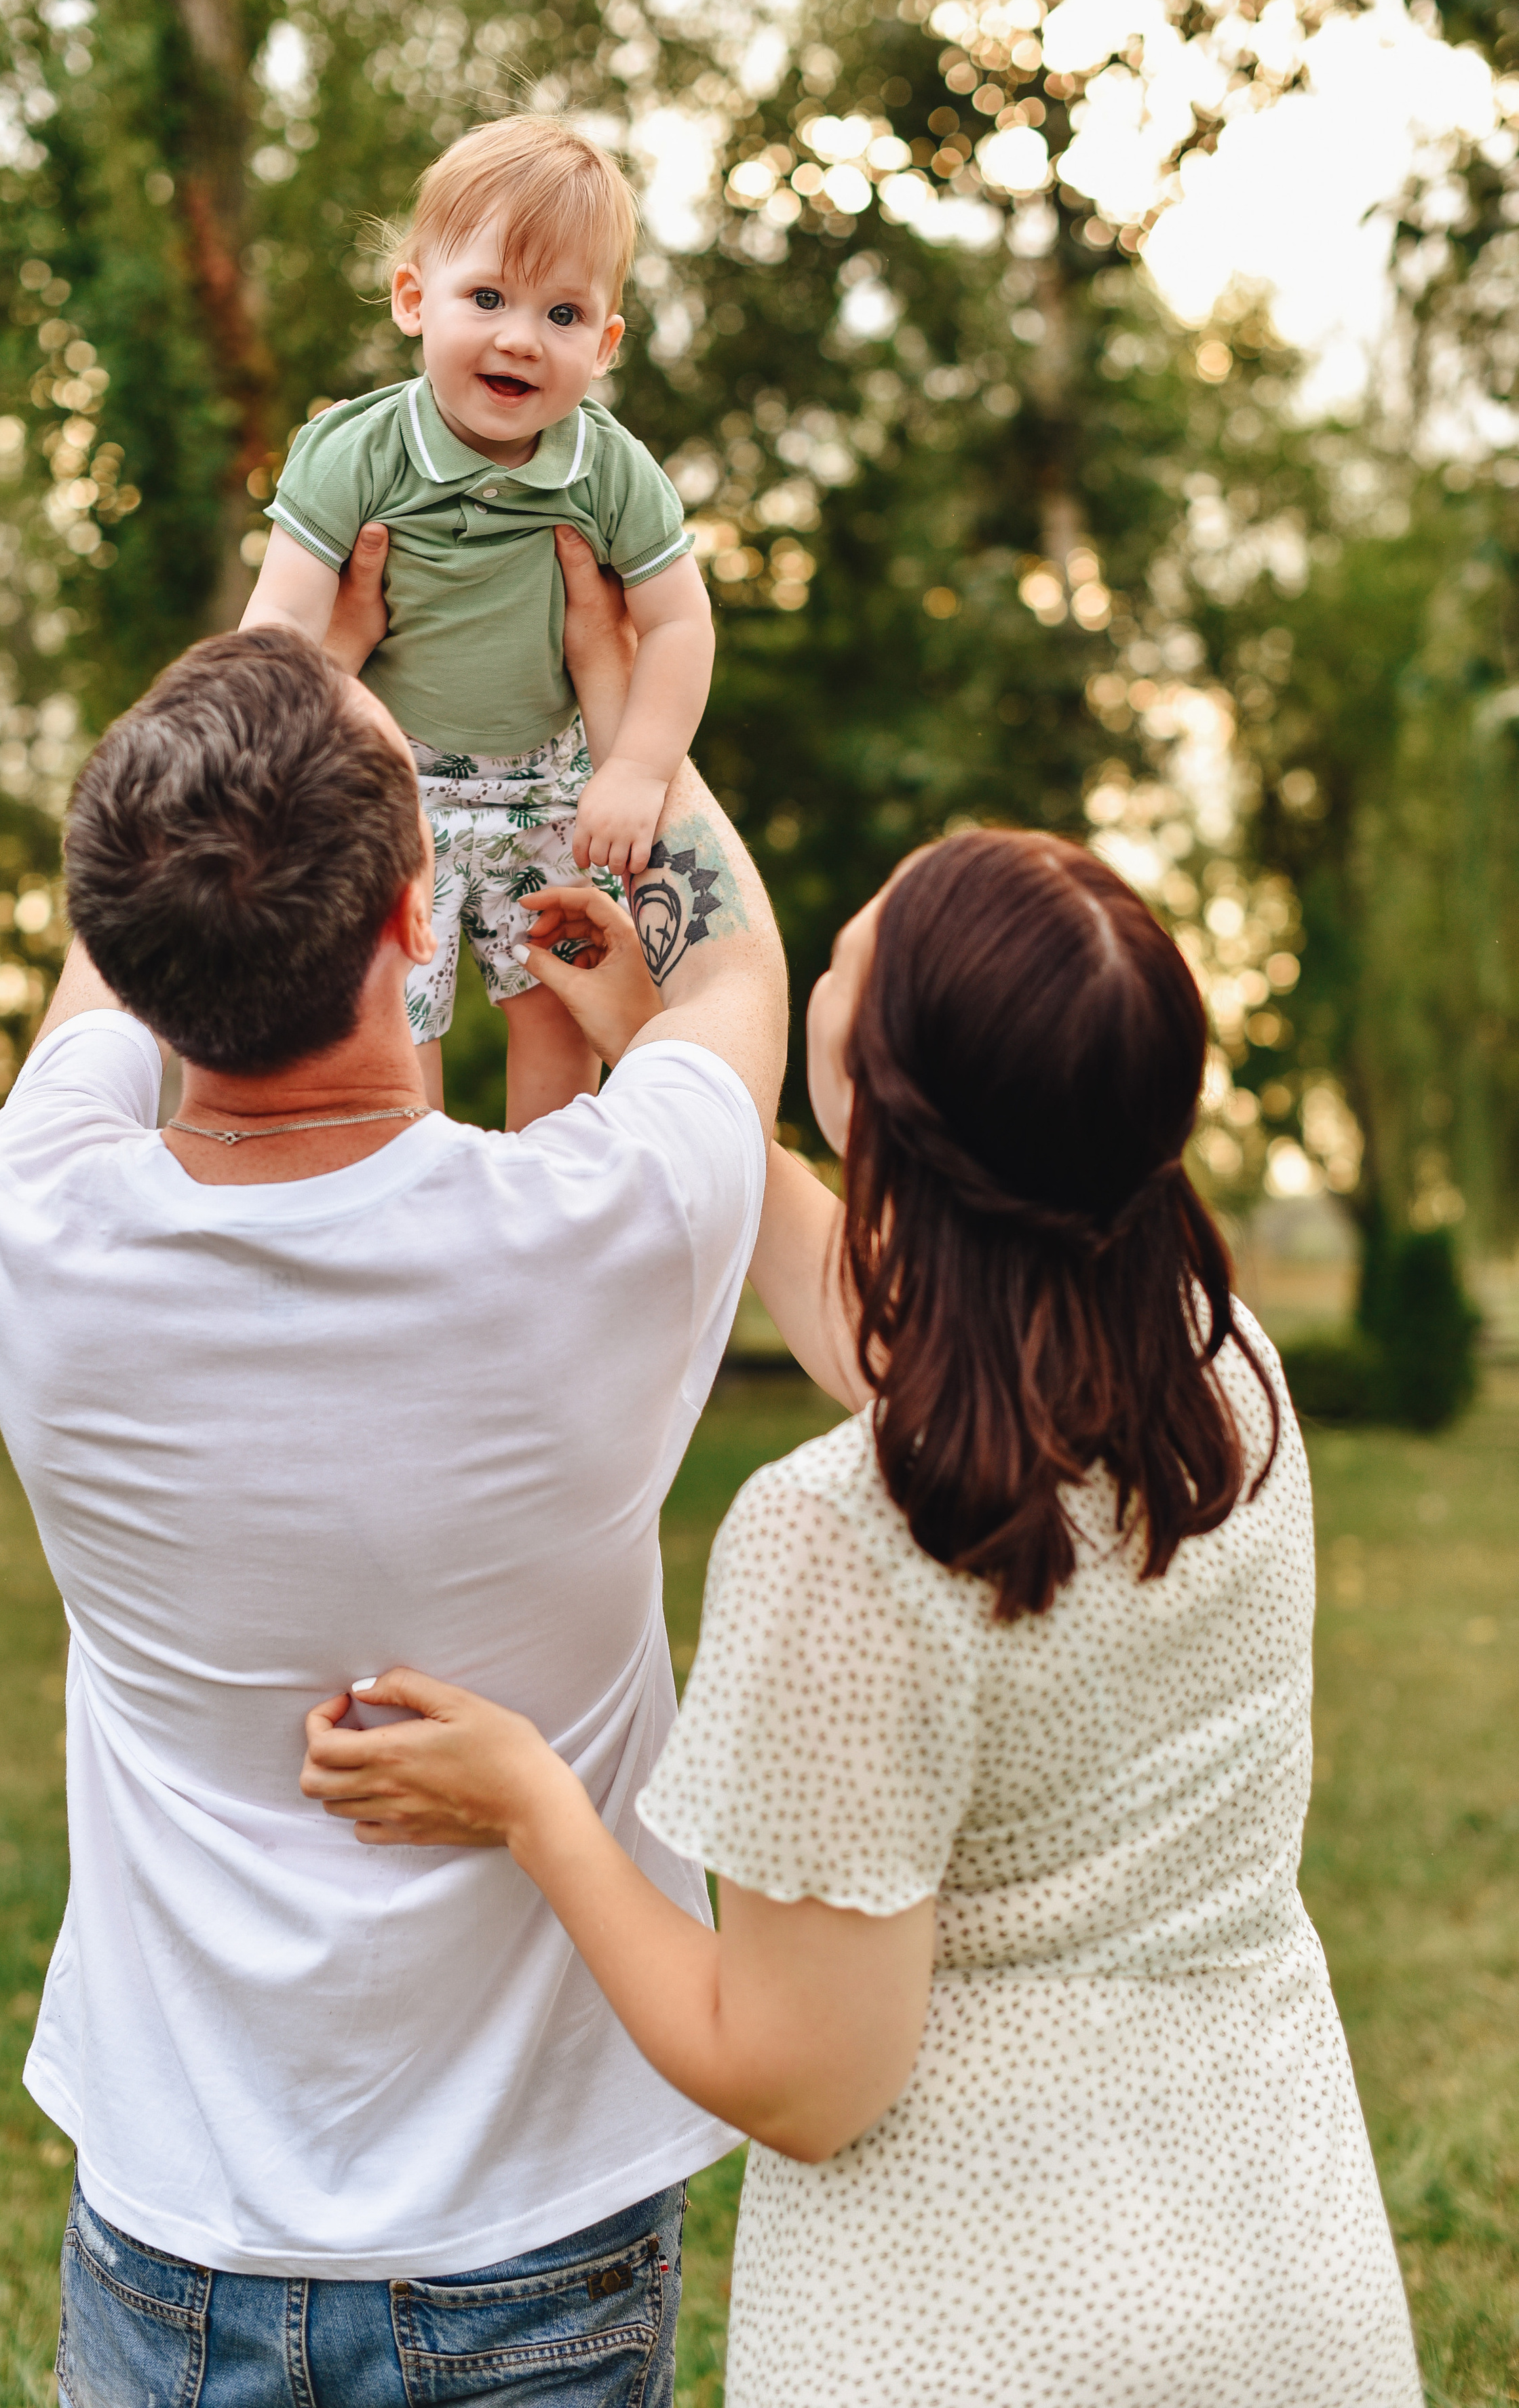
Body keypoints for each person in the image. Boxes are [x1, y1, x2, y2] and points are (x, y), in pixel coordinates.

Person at [301, 819, 1425, 2405]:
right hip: (1269, 2265)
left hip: (975, 2318)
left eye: (855, 952)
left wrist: (533, 1805)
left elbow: (798, 2078)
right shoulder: (1211, 1367)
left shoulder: (844, 1539)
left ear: (876, 1097)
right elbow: (920, 1314)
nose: (843, 932)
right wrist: (656, 1060)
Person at [0, 529, 784, 2408]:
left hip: (171, 2239)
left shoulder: (26, 1234)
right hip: (530, 2246)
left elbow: (123, 942)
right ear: (420, 922)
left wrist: (276, 642)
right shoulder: (606, 1225)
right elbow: (736, 984)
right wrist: (618, 707)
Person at [242, 111, 714, 1130]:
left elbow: (680, 624)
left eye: (562, 314)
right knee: (387, 1006)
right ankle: (417, 1191)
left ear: (606, 342)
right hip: (389, 776)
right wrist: (273, 765)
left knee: (558, 989)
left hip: (550, 782)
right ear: (415, 298)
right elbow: (279, 618)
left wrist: (634, 768)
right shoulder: (353, 452)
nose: (519, 337)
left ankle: (541, 1194)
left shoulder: (612, 470)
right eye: (488, 296)